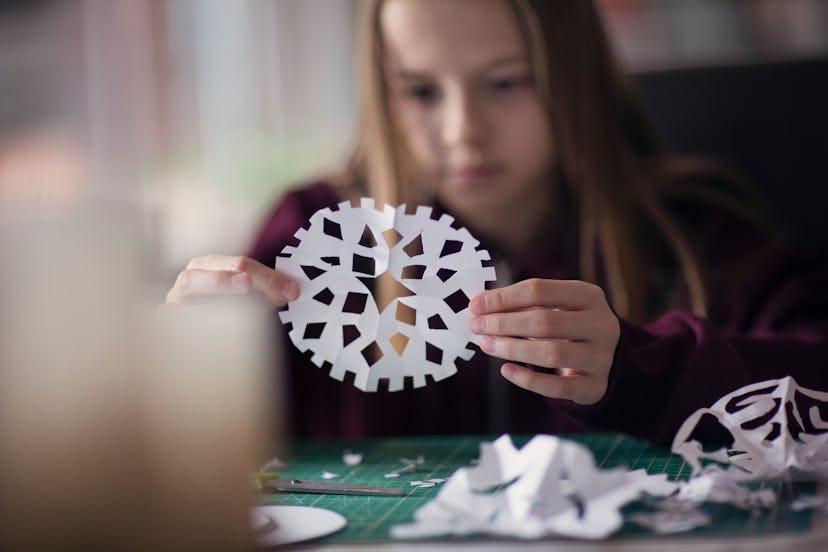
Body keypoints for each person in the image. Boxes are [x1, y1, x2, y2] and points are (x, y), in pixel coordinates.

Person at [164, 0, 828, 445]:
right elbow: (197, 444)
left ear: (572, 80)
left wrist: (643, 368)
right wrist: (193, 362)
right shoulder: (309, 233)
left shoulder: (690, 230)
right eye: (421, 90)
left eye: (506, 82)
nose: (462, 132)